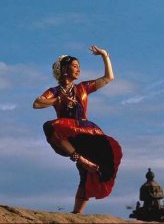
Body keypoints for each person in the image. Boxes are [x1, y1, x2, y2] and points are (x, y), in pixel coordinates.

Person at [33, 45, 123, 214]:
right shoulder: (54, 91)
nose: (78, 69)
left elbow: (109, 78)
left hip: (85, 131)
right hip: (66, 133)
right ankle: (81, 163)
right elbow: (37, 103)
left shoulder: (82, 88)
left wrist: (105, 55)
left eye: (79, 66)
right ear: (64, 69)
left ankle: (76, 215)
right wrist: (58, 99)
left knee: (91, 173)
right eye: (75, 66)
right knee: (51, 127)